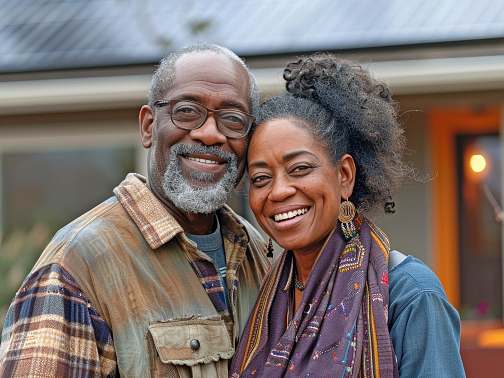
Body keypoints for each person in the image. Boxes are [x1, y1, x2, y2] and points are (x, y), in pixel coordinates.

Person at [0, 44, 271, 377]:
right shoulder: (76, 265)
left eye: (232, 119)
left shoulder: (261, 254)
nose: (210, 133)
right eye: (187, 111)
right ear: (148, 126)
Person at [230, 54, 466, 377]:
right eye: (260, 178)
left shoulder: (410, 295)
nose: (279, 191)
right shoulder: (263, 299)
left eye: (300, 169)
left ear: (344, 175)